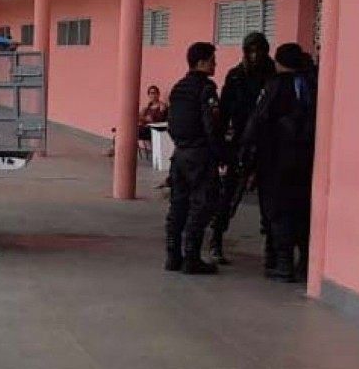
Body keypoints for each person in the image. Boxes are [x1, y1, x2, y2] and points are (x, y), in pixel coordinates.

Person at [242, 43, 317, 282]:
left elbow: (259, 119)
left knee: (277, 211)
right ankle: (305, 262)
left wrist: (246, 149)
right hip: (307, 160)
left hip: (277, 158)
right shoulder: (312, 83)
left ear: (279, 62)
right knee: (302, 210)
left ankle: (283, 263)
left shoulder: (276, 85)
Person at [209, 31, 276, 266]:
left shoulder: (273, 76)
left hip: (269, 144)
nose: (255, 55)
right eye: (251, 50)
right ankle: (216, 240)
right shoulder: (236, 76)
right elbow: (224, 113)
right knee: (228, 196)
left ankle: (272, 251)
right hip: (240, 143)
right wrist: (221, 148)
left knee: (271, 201)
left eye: (259, 50)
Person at [164, 42, 223, 275]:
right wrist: (221, 154)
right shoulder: (206, 88)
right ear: (201, 63)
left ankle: (172, 256)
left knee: (178, 205)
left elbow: (172, 123)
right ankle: (191, 258)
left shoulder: (178, 87)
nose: (215, 65)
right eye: (212, 61)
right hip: (200, 156)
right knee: (201, 205)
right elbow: (212, 126)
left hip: (179, 154)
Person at [106, 85, 168, 157]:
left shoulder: (161, 106)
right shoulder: (147, 107)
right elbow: (142, 117)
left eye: (154, 93)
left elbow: (154, 120)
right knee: (122, 131)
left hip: (151, 130)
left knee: (127, 131)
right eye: (150, 93)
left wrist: (142, 118)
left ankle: (119, 150)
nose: (152, 95)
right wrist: (141, 117)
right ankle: (114, 148)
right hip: (143, 128)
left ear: (158, 94)